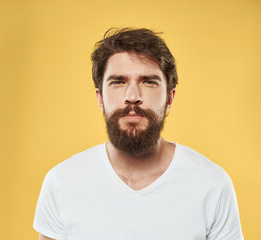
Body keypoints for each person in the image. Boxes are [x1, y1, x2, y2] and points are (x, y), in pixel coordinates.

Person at [33, 28, 244, 240]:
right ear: (100, 98)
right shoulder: (62, 183)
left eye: (149, 81)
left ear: (169, 99)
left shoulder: (212, 184)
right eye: (118, 81)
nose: (132, 96)